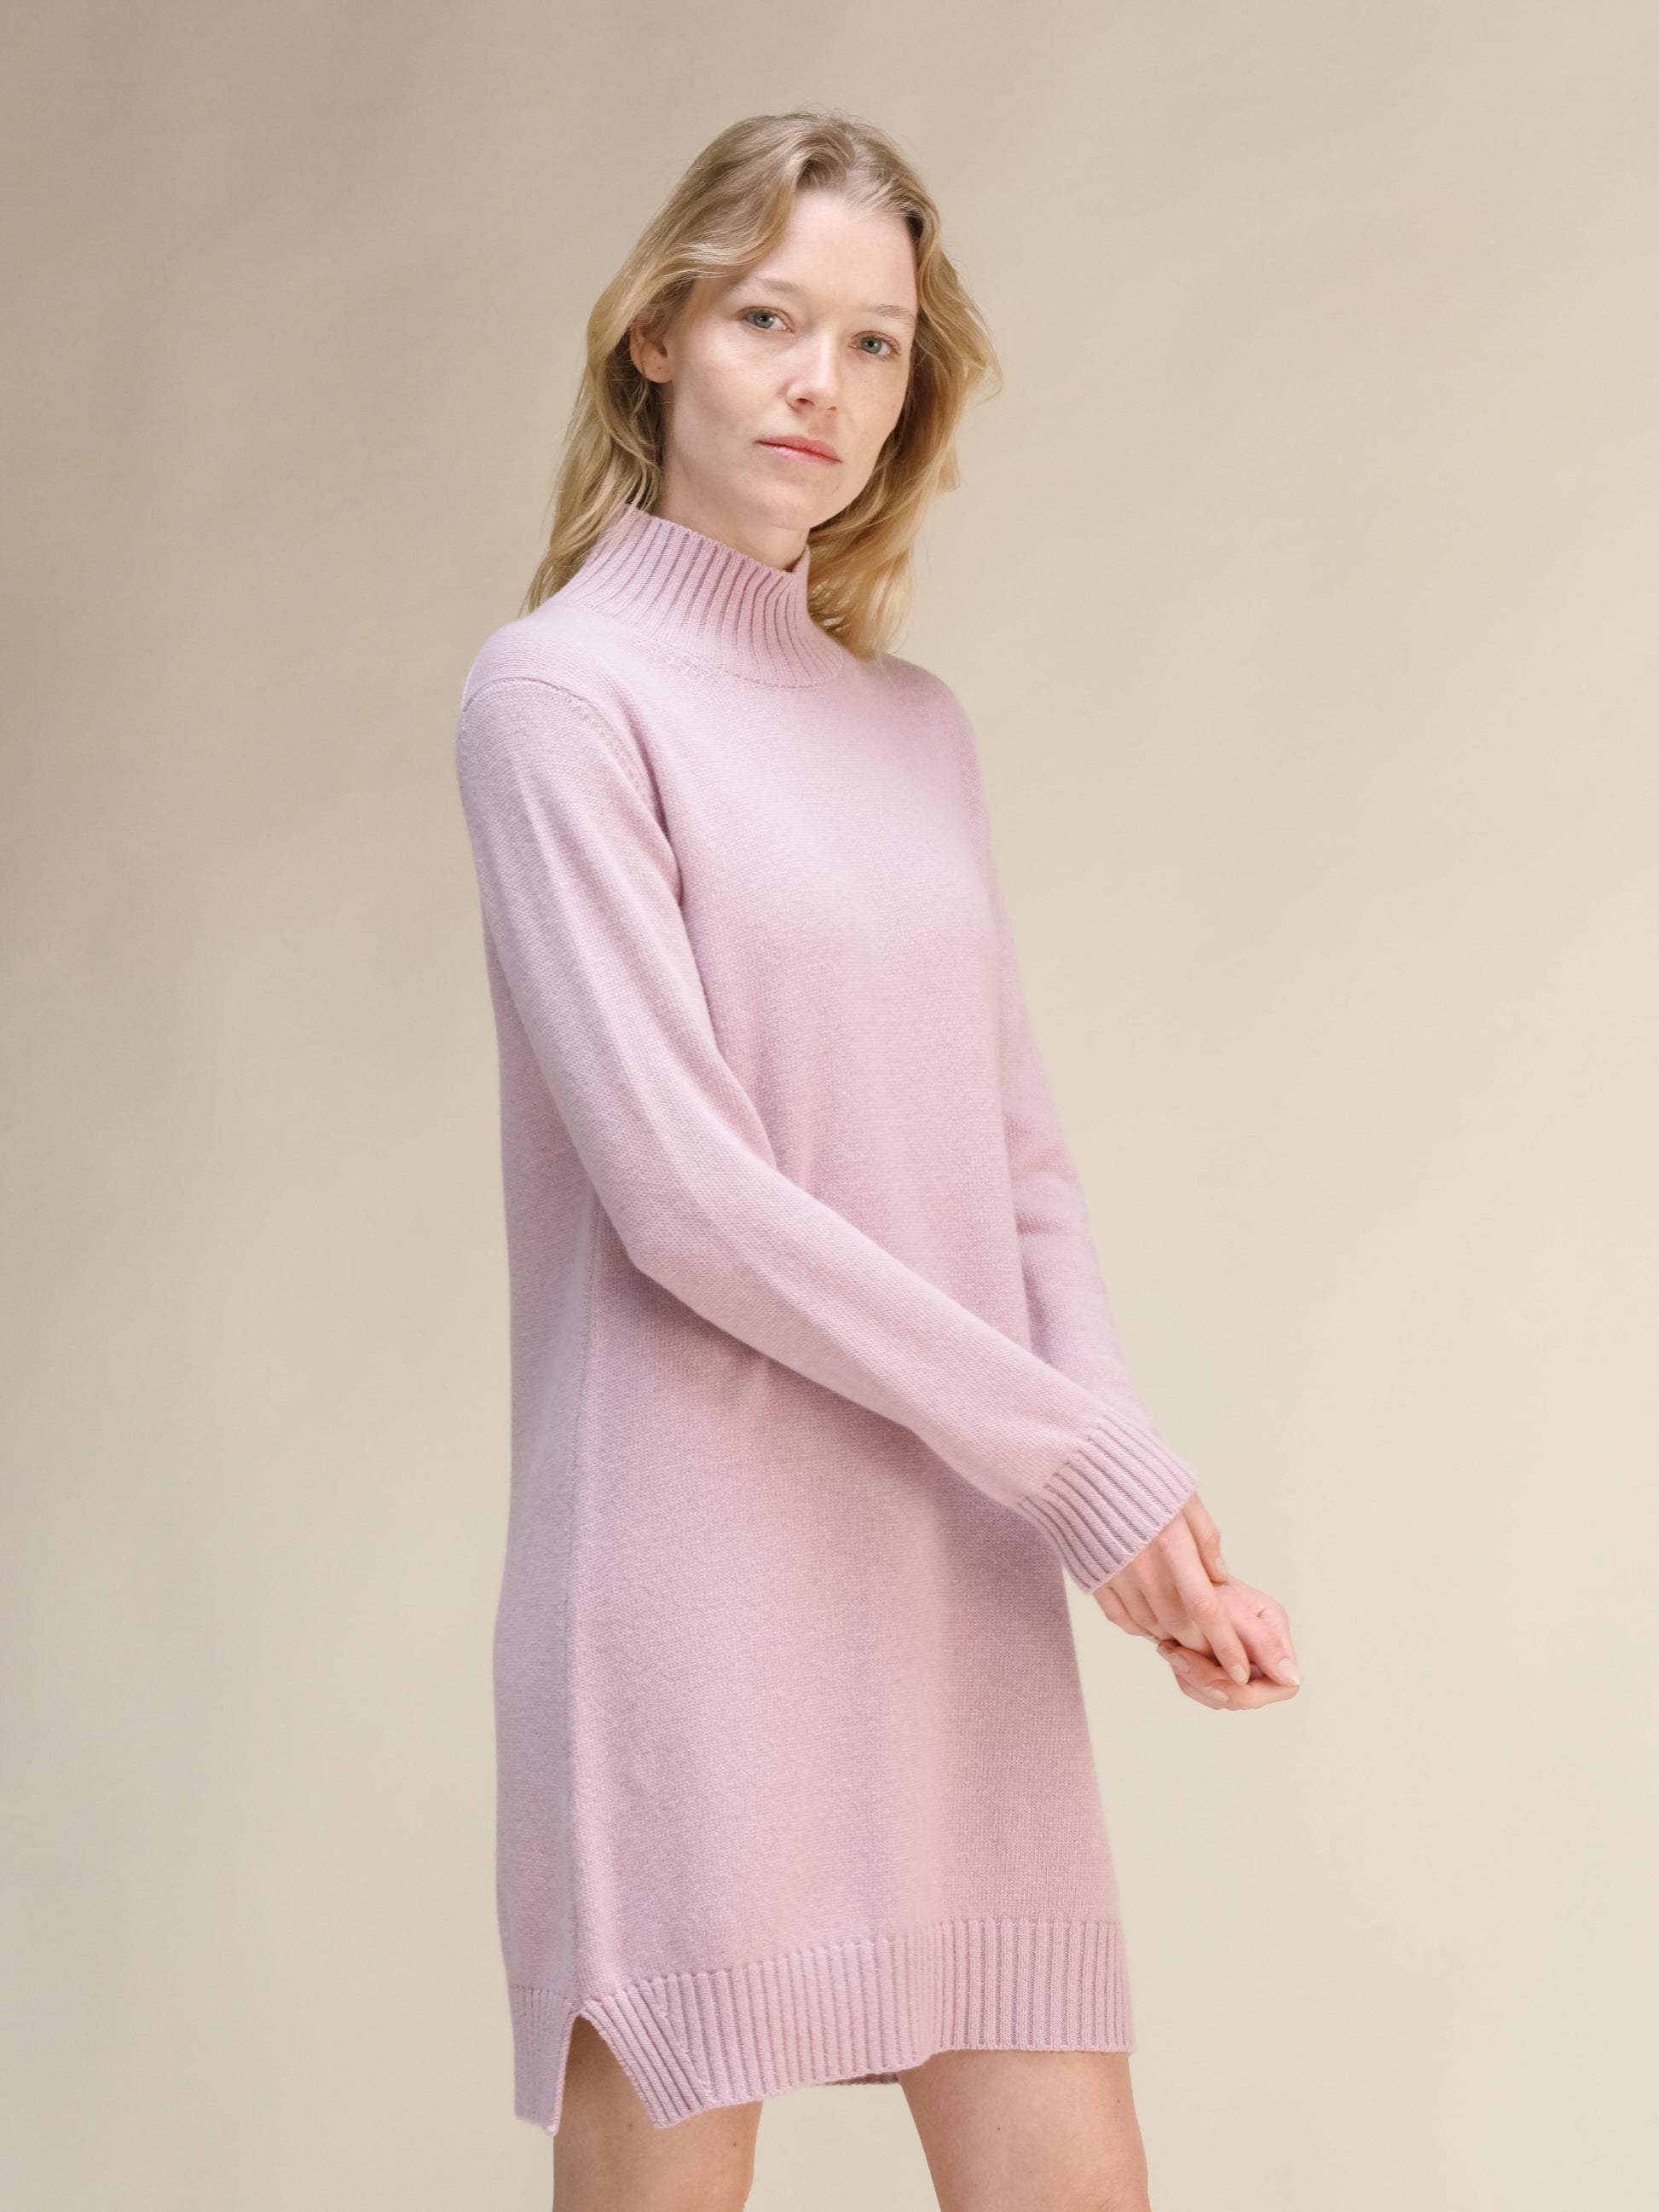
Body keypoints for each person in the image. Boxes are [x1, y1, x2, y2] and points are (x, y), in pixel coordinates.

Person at [453, 107, 1299, 2212]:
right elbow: (687, 1193)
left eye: (874, 342)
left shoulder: (914, 729)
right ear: (657, 332)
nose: (819, 383)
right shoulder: (559, 699)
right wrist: (1076, 1469)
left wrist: (1138, 1491)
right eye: (768, 319)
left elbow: (1019, 1167)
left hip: (956, 1563)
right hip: (694, 1577)